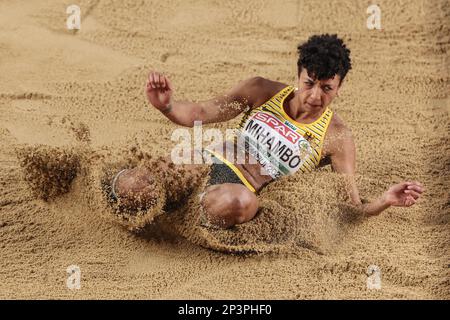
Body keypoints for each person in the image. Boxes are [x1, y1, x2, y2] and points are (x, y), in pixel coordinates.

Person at [109, 34, 424, 229]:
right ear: (299, 74)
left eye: (327, 88)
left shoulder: (337, 136)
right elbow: (201, 114)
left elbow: (351, 206)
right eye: (310, 83)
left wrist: (385, 200)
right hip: (204, 162)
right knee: (132, 186)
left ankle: (184, 220)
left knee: (242, 204)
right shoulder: (261, 90)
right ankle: (133, 193)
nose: (315, 96)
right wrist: (166, 106)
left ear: (339, 87)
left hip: (238, 191)